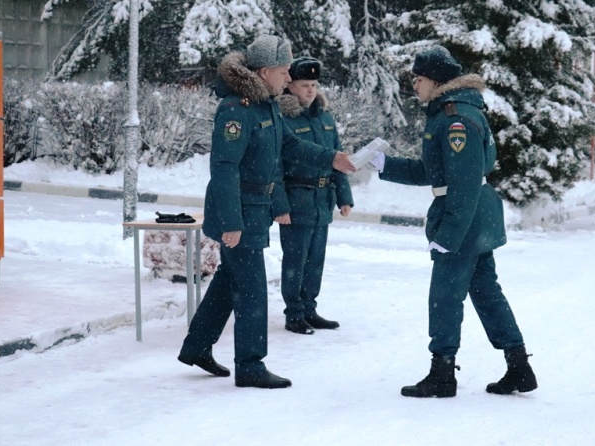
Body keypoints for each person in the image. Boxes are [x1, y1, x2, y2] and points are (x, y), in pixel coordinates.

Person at [177, 35, 356, 389]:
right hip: (239, 212)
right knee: (253, 290)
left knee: (230, 283)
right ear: (263, 72)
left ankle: (197, 346)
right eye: (283, 71)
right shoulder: (235, 109)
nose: (288, 78)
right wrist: (231, 222)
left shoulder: (266, 105)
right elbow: (225, 167)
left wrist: (330, 158)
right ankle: (250, 365)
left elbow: (287, 145)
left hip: (254, 210)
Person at [369, 45, 537, 398]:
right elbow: (434, 172)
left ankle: (442, 373)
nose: (414, 85)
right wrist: (384, 164)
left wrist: (448, 234)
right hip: (475, 215)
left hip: (465, 217)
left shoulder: (456, 118)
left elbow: (461, 184)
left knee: (445, 296)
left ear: (436, 80)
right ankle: (519, 366)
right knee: (486, 292)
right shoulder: (452, 112)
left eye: (418, 78)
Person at [273, 57, 354, 335]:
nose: (311, 90)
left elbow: (338, 159)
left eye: (314, 84)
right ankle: (294, 313)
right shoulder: (283, 117)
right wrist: (279, 206)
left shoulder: (324, 117)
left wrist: (344, 197)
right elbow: (276, 167)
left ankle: (309, 309)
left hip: (322, 199)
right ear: (291, 86)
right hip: (296, 198)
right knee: (295, 260)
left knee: (316, 259)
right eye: (305, 85)